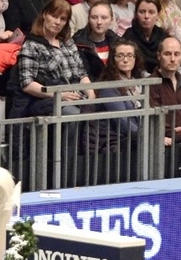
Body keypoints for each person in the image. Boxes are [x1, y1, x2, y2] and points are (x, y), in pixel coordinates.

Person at [10, 0, 94, 188]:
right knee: (72, 115)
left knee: (97, 110)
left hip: (73, 95)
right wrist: (59, 95)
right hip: (43, 99)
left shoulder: (67, 42)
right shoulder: (32, 44)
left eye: (63, 19)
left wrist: (91, 95)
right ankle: (66, 175)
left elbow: (81, 73)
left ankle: (89, 175)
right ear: (44, 15)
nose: (57, 22)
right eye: (54, 16)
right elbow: (27, 83)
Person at [84, 39, 143, 184]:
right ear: (113, 59)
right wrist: (150, 136)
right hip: (114, 141)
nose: (125, 60)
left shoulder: (138, 83)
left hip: (131, 137)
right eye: (120, 56)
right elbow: (124, 122)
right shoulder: (109, 86)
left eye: (130, 56)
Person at [149, 36, 181, 176]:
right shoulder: (151, 83)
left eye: (177, 54)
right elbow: (154, 118)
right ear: (159, 56)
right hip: (166, 144)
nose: (173, 59)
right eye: (168, 54)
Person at [73, 0, 119, 80]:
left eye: (104, 18)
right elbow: (84, 76)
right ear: (88, 19)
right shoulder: (78, 43)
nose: (99, 22)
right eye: (94, 17)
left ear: (111, 20)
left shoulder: (118, 43)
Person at [123, 0, 168, 73]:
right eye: (142, 12)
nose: (146, 16)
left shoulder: (164, 37)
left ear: (158, 15)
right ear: (136, 14)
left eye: (151, 12)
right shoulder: (128, 37)